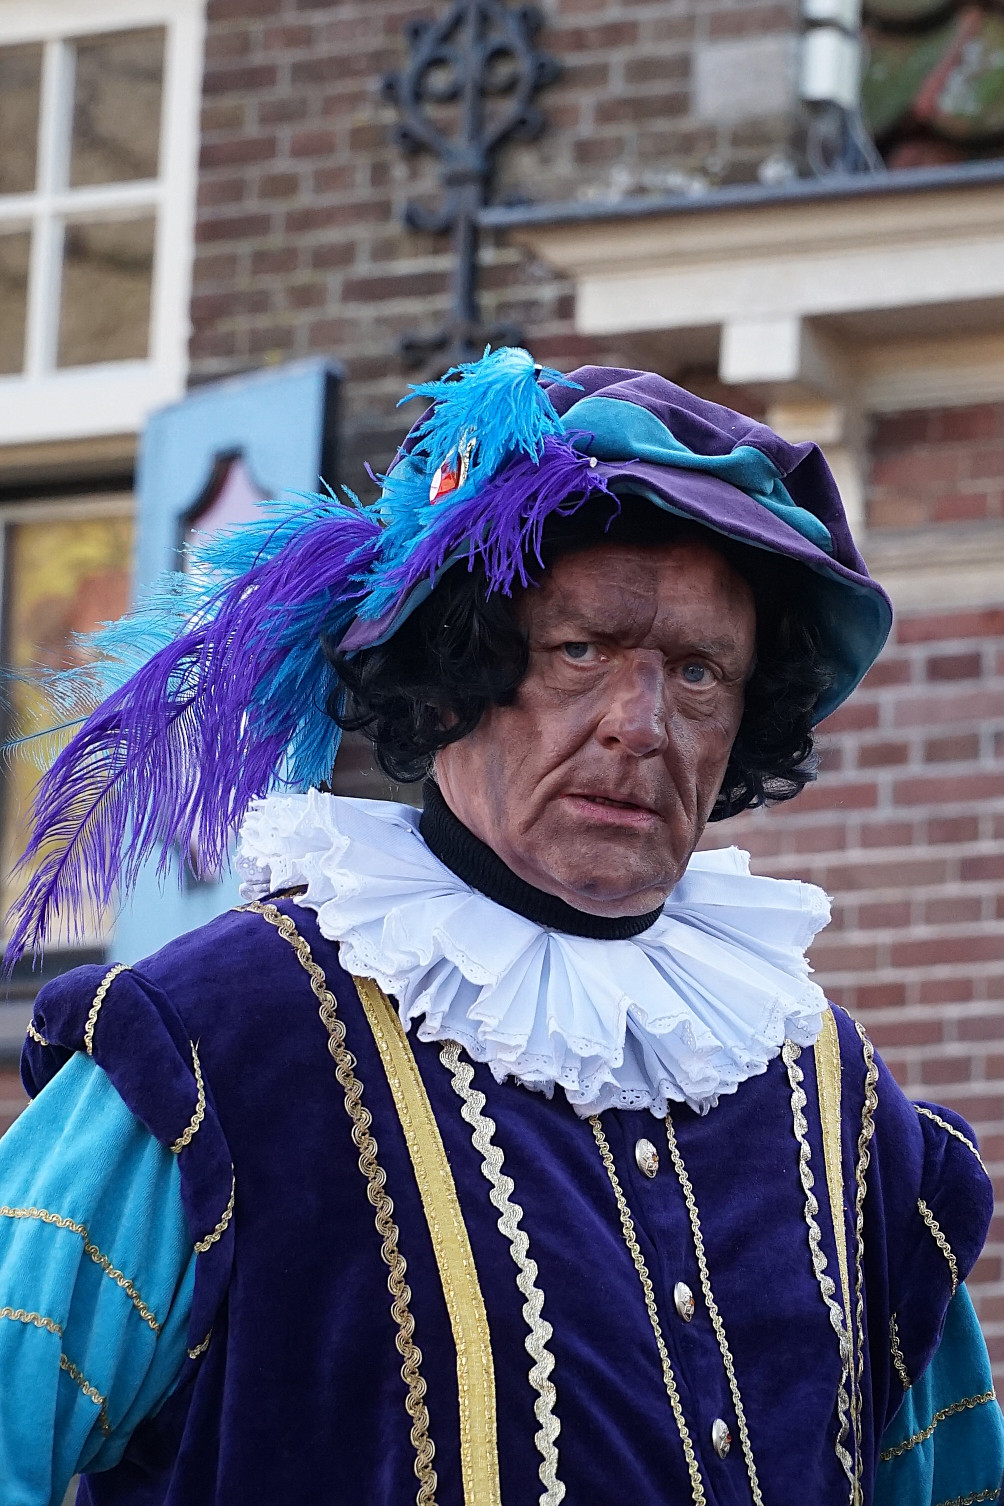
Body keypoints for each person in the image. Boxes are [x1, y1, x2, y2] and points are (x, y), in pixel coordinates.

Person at [0, 349, 1000, 1506]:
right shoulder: (212, 1046)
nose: (640, 725)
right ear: (454, 672)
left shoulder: (845, 1113)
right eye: (581, 651)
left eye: (696, 672)